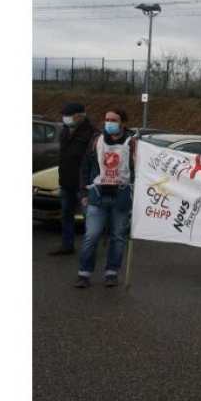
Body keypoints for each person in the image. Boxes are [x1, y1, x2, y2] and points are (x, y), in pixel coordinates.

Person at [75, 109, 137, 288]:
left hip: (122, 196)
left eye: (114, 120)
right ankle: (84, 273)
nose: (109, 122)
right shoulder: (96, 140)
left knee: (118, 237)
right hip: (97, 195)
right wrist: (83, 193)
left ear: (123, 123)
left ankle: (111, 273)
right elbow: (85, 167)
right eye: (107, 119)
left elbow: (140, 169)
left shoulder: (133, 143)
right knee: (91, 235)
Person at [50, 102, 96, 256]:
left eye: (68, 115)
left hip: (83, 185)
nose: (65, 118)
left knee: (89, 218)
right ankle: (67, 245)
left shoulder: (91, 133)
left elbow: (93, 161)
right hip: (66, 181)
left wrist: (88, 183)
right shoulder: (65, 130)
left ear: (79, 116)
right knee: (66, 215)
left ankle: (89, 250)